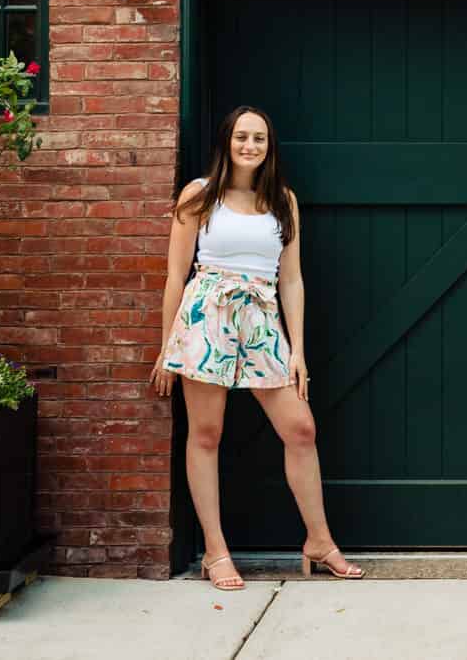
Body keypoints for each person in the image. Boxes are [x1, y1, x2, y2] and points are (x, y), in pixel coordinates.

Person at [151, 105, 364, 588]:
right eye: (242, 137)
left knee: (300, 428)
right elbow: (174, 275)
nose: (250, 146)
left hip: (262, 319)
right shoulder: (199, 195)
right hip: (207, 317)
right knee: (206, 435)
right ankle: (215, 551)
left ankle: (319, 541)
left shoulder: (281, 201)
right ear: (227, 141)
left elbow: (291, 279)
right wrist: (167, 347)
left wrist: (298, 350)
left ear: (269, 148)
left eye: (260, 139)